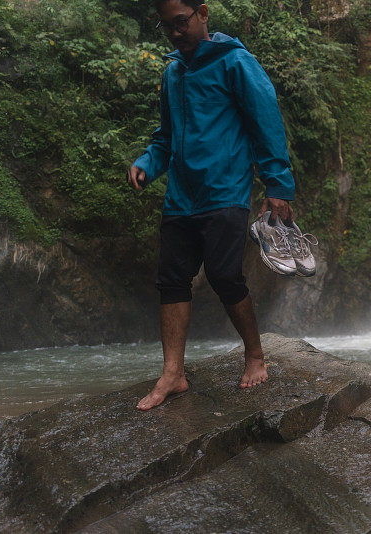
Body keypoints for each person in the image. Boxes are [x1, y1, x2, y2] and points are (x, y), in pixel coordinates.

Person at [126, 0, 296, 410]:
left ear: (202, 13)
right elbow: (165, 137)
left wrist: (278, 185)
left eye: (180, 22)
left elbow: (266, 121)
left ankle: (254, 354)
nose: (174, 32)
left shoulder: (235, 62)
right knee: (171, 280)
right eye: (167, 26)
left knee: (223, 274)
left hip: (225, 191)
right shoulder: (172, 73)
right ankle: (173, 374)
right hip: (182, 197)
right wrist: (147, 163)